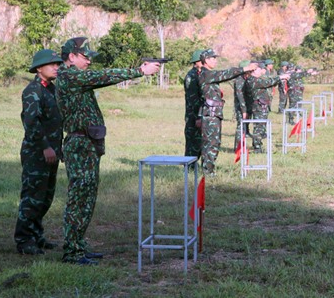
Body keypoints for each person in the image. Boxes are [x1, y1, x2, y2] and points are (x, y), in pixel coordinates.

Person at [56, 37, 160, 265]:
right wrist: (139, 71)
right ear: (71, 57)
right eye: (85, 57)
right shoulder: (69, 76)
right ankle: (72, 252)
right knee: (78, 198)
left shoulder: (74, 76)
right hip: (80, 145)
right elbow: (102, 77)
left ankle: (79, 245)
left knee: (87, 197)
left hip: (87, 144)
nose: (88, 62)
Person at [15, 49, 64, 255]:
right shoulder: (32, 90)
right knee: (32, 197)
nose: (56, 67)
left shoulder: (51, 89)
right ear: (38, 68)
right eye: (51, 64)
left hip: (51, 152)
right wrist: (45, 146)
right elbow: (31, 122)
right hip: (38, 152)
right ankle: (24, 240)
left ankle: (36, 235)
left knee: (45, 197)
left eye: (57, 64)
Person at [198, 49, 257, 175]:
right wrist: (244, 69)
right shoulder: (206, 74)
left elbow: (227, 75)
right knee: (212, 143)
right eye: (212, 58)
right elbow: (225, 73)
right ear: (206, 60)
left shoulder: (207, 74)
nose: (215, 60)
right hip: (211, 114)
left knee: (213, 142)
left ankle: (208, 169)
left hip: (213, 113)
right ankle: (207, 171)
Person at [245, 64, 290, 152]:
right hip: (258, 107)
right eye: (259, 70)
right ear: (254, 71)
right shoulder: (252, 80)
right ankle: (257, 147)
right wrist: (280, 77)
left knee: (262, 126)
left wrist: (280, 79)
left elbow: (269, 83)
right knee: (258, 127)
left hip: (263, 106)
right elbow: (267, 82)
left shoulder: (257, 79)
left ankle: (259, 144)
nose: (261, 71)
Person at [184, 49, 204, 159]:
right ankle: (190, 167)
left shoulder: (200, 74)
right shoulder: (191, 76)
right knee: (193, 142)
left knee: (199, 142)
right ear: (196, 62)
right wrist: (198, 117)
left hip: (200, 114)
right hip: (194, 115)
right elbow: (193, 100)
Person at [233, 60, 252, 151]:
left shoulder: (246, 78)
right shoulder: (239, 80)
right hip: (241, 107)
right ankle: (238, 148)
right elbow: (240, 96)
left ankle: (242, 147)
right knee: (241, 126)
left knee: (245, 127)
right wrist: (244, 110)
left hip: (246, 106)